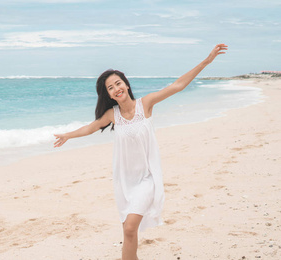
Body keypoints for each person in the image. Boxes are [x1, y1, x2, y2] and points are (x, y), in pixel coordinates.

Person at [54, 44, 228, 260]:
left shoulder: (145, 105)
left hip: (147, 178)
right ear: (108, 94)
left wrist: (206, 61)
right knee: (128, 231)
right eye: (110, 87)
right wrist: (67, 135)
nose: (116, 88)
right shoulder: (111, 114)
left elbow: (177, 86)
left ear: (126, 85)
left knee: (129, 229)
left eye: (118, 83)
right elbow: (89, 128)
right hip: (124, 181)